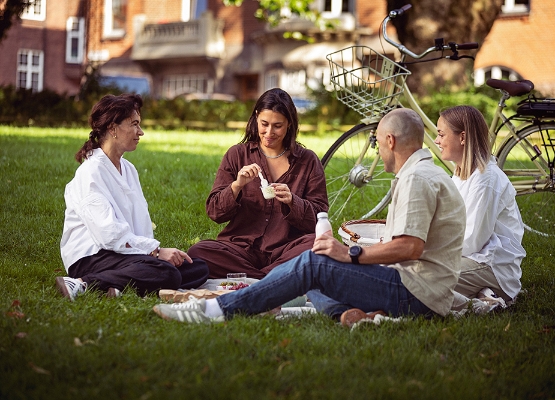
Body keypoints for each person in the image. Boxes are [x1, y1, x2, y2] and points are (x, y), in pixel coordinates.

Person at [153, 108, 467, 325]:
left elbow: (409, 247)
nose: (377, 154)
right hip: (418, 290)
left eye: (378, 145)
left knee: (313, 263)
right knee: (317, 266)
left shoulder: (417, 179)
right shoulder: (423, 174)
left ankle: (217, 310)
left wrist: (350, 254)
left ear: (390, 141)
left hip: (417, 296)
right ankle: (351, 316)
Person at [56, 93, 209, 300]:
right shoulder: (91, 172)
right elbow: (108, 235)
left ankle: (120, 286)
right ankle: (82, 283)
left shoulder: (128, 169)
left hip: (123, 255)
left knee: (198, 268)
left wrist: (154, 255)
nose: (141, 132)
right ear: (112, 128)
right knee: (168, 273)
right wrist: (155, 253)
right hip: (91, 256)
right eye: (134, 124)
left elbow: (140, 226)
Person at [187, 88, 328, 279]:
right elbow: (215, 212)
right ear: (256, 118)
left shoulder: (308, 161)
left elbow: (320, 218)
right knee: (198, 252)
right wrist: (236, 186)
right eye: (264, 124)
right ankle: (272, 280)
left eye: (277, 126)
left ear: (289, 124)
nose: (269, 133)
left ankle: (254, 281)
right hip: (240, 249)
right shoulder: (237, 155)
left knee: (318, 244)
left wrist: (292, 201)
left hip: (285, 250)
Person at [434, 105, 526, 309]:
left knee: (423, 280)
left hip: (490, 266)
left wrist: (429, 251)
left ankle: (482, 301)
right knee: (414, 271)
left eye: (441, 134)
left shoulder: (486, 180)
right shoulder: (461, 174)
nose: (436, 140)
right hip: (469, 258)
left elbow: (471, 241)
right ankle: (482, 295)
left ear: (463, 137)